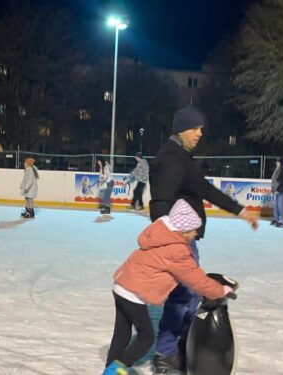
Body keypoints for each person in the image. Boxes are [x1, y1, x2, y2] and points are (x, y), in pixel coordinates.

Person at [148, 106, 258, 374]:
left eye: (201, 129)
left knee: (186, 295)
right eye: (195, 128)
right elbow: (160, 202)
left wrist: (240, 210)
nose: (199, 133)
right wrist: (169, 243)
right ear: (181, 129)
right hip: (177, 242)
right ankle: (166, 352)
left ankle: (179, 347)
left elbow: (204, 188)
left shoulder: (182, 157)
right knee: (182, 296)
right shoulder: (172, 160)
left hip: (183, 240)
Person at [102, 199, 234, 375]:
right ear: (184, 230)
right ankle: (116, 369)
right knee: (146, 338)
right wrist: (219, 290)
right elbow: (194, 278)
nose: (196, 234)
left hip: (121, 285)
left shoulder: (160, 236)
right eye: (194, 230)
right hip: (132, 293)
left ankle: (109, 369)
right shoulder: (176, 250)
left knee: (122, 332)